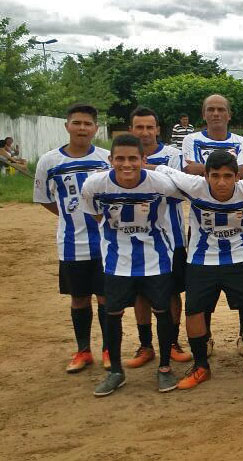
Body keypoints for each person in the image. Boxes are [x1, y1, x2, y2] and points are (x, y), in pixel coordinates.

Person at [153, 151, 243, 389]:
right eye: (215, 176)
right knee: (194, 312)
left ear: (237, 177)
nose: (222, 182)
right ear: (205, 176)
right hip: (201, 261)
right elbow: (163, 171)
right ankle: (201, 365)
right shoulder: (193, 185)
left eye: (228, 176)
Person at [80, 134, 181, 396]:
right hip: (117, 261)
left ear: (143, 160)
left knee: (162, 311)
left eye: (133, 158)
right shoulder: (94, 185)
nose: (127, 164)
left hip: (156, 258)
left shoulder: (160, 183)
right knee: (112, 314)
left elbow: (185, 195)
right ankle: (116, 370)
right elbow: (95, 214)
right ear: (110, 160)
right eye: (120, 158)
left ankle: (165, 369)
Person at [33, 104, 111, 374]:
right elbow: (44, 199)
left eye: (87, 124)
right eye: (76, 123)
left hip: (105, 243)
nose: (81, 128)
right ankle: (83, 350)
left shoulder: (107, 158)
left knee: (105, 298)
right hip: (71, 243)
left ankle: (108, 350)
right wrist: (70, 217)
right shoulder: (49, 161)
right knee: (78, 299)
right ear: (67, 126)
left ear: (95, 128)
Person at [181, 94, 243, 355]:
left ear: (229, 114)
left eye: (221, 109)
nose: (215, 114)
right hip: (202, 220)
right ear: (204, 114)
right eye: (210, 109)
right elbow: (187, 170)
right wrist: (227, 172)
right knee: (202, 290)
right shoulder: (191, 139)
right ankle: (207, 337)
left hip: (237, 219)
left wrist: (209, 172)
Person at [124, 106, 192, 368]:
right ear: (131, 130)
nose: (144, 132)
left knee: (173, 293)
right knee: (141, 295)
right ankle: (145, 345)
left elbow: (181, 189)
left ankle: (173, 342)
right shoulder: (121, 156)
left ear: (158, 130)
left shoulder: (172, 156)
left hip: (171, 238)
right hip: (133, 239)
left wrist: (146, 169)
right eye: (139, 127)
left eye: (149, 127)